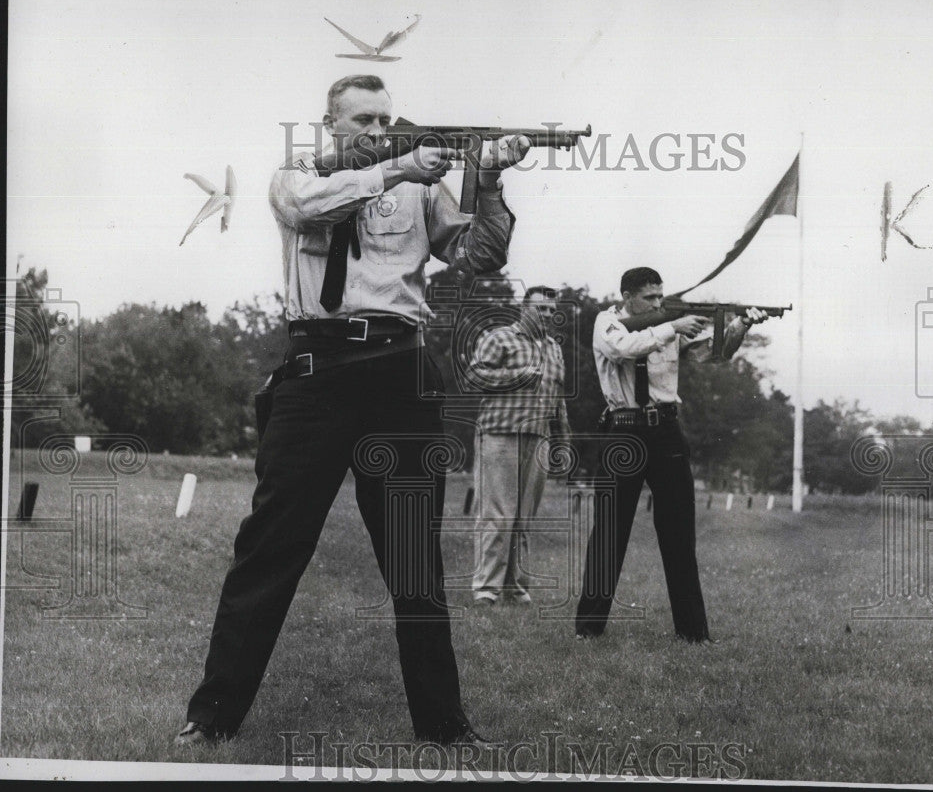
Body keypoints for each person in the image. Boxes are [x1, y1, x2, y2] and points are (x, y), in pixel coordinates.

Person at [175, 74, 529, 746]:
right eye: (362, 120)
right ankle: (213, 715)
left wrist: (489, 180)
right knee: (271, 549)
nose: (376, 131)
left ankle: (445, 726)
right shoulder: (297, 174)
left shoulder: (422, 186)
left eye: (386, 120)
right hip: (317, 372)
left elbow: (478, 254)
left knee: (414, 560)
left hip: (399, 372)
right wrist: (398, 166)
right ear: (329, 124)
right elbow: (312, 209)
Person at [574, 266, 769, 643]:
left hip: (665, 429)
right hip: (624, 430)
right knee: (610, 532)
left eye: (661, 297)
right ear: (627, 296)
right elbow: (623, 349)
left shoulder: (666, 328)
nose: (658, 303)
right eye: (650, 298)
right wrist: (672, 325)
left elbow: (713, 354)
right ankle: (588, 629)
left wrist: (742, 325)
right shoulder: (608, 322)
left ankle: (693, 633)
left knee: (680, 533)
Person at [467, 286, 570, 606]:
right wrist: (519, 375)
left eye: (551, 310)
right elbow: (473, 377)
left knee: (524, 518)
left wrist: (563, 441)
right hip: (499, 434)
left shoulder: (554, 348)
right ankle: (486, 587)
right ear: (523, 309)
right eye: (540, 309)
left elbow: (559, 401)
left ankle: (514, 585)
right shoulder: (499, 338)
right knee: (497, 515)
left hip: (538, 437)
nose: (547, 315)